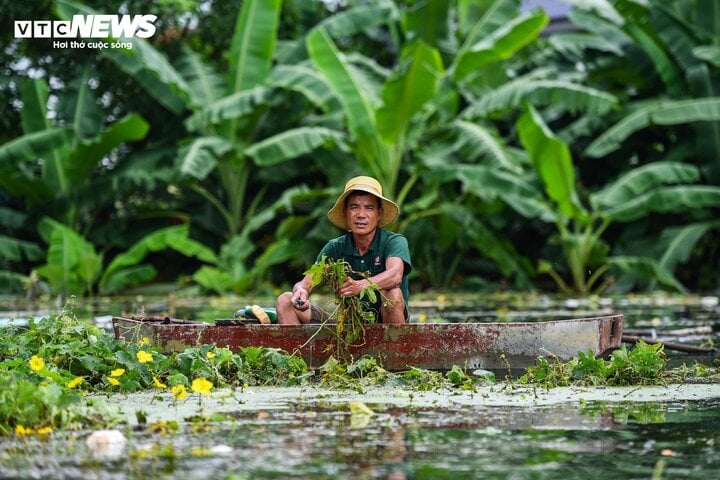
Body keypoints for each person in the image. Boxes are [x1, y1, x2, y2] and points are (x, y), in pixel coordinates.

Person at [276, 176, 412, 325]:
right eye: (354, 207)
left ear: (379, 214)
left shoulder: (394, 241)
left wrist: (359, 286)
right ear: (345, 213)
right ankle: (297, 349)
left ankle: (394, 348)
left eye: (369, 208)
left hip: (385, 321)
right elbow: (306, 282)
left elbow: (395, 276)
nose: (361, 215)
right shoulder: (335, 247)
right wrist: (300, 291)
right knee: (285, 300)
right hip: (349, 326)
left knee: (392, 295)